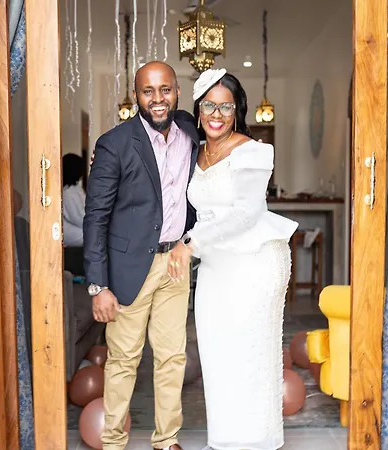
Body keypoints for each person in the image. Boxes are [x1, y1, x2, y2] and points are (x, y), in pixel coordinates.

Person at [168, 68, 298, 450]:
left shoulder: (253, 151)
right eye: (209, 105)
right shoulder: (196, 153)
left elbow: (246, 213)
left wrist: (189, 244)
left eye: (226, 106)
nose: (217, 114)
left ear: (237, 110)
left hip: (253, 263)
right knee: (216, 355)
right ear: (198, 109)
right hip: (215, 266)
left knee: (249, 357)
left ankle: (255, 442)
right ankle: (224, 440)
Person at [83, 61, 199, 450]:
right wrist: (98, 285)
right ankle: (114, 442)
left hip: (175, 263)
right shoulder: (114, 143)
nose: (158, 98)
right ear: (136, 96)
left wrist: (189, 240)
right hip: (129, 268)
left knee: (172, 358)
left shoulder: (190, 133)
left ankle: (166, 441)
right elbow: (95, 217)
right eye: (148, 91)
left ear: (177, 91)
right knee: (123, 360)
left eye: (165, 89)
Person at [63, 153, 86, 247]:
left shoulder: (76, 188)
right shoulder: (68, 192)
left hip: (80, 227)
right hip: (70, 231)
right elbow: (78, 218)